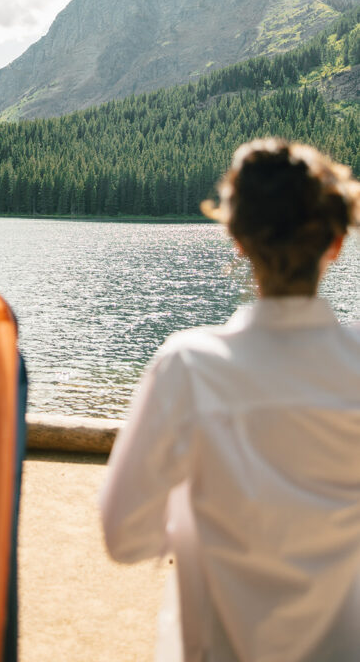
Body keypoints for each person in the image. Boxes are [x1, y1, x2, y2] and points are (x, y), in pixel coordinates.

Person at [100, 139, 360, 662]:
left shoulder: (189, 367)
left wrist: (200, 517)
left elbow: (124, 536)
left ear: (237, 240)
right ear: (334, 243)